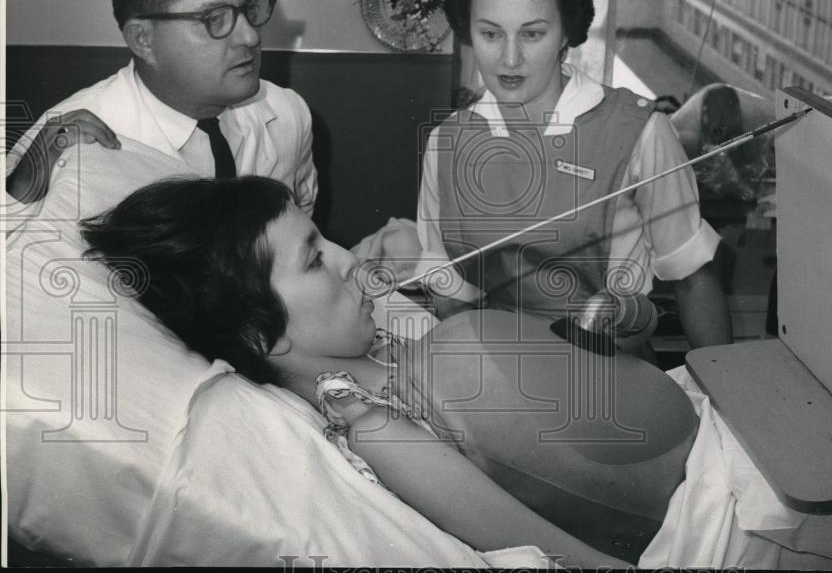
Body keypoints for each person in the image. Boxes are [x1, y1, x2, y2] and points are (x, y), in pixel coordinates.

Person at [80, 175, 698, 567]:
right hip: (705, 508)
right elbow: (564, 554)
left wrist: (621, 316)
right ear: (260, 331)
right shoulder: (376, 428)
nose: (350, 260)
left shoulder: (394, 349)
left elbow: (611, 367)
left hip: (700, 432)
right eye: (315, 259)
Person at [408, 0, 731, 350]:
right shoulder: (448, 143)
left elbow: (693, 280)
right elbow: (453, 298)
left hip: (612, 379)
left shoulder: (641, 131)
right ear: (467, 29)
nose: (509, 59)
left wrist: (723, 398)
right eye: (490, 33)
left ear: (566, 31)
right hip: (500, 375)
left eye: (532, 34)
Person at [5, 0, 316, 216]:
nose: (250, 36)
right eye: (214, 18)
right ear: (143, 40)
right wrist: (21, 192)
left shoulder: (288, 113)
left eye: (250, 6)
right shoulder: (65, 149)